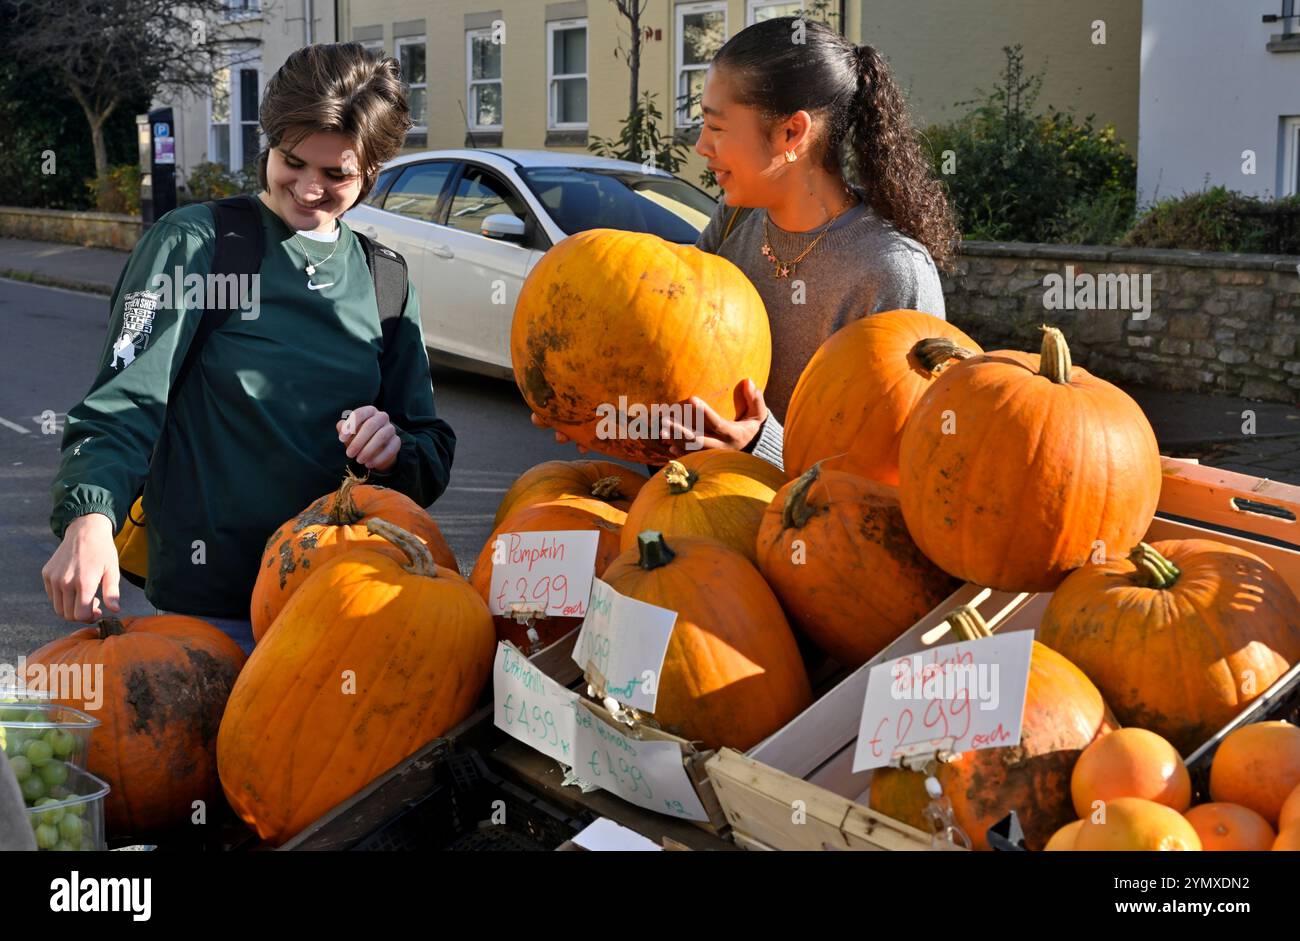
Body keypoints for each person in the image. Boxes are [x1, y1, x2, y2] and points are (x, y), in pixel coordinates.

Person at [42, 43, 455, 654]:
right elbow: (123, 405)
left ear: (371, 172)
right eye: (293, 162)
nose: (309, 189)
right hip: (213, 607)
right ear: (270, 143)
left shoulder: (384, 276)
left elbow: (428, 443)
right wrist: (90, 516)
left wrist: (394, 448)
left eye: (336, 175)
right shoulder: (194, 245)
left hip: (343, 602)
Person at [533, 17, 956, 470]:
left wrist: (760, 446)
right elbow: (675, 357)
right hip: (699, 513)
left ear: (791, 133)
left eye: (716, 127)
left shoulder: (893, 270)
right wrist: (616, 421)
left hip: (808, 534)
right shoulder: (735, 220)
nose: (700, 146)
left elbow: (910, 471)